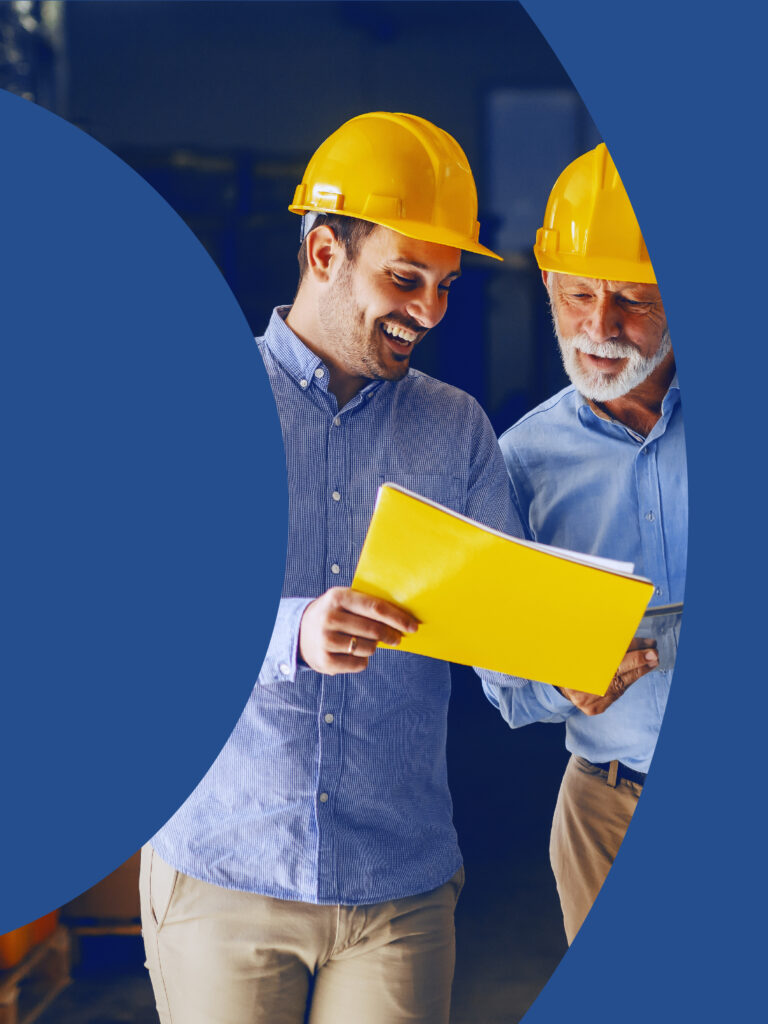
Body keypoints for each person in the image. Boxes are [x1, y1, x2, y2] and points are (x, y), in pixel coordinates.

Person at [139, 111, 528, 1024]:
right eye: (404, 278)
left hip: (396, 888)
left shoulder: (458, 428)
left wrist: (574, 673)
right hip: (224, 869)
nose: (429, 312)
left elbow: (501, 637)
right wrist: (293, 630)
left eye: (444, 284)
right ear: (323, 254)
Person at [483, 142, 686, 944]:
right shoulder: (521, 462)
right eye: (577, 296)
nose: (601, 327)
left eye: (634, 298)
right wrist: (560, 684)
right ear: (546, 286)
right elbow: (503, 679)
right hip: (607, 811)